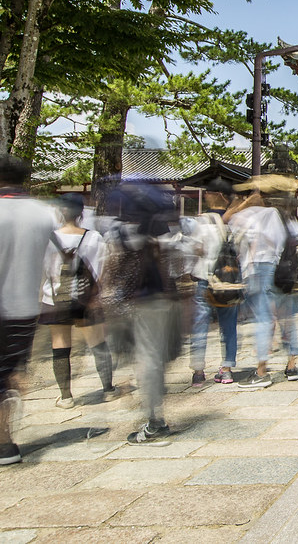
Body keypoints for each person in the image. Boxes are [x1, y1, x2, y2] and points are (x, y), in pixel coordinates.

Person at [102, 181, 186, 446]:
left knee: (147, 358)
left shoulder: (121, 232)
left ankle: (155, 420)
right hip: (163, 296)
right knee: (155, 357)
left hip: (137, 300)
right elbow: (179, 264)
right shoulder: (162, 231)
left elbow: (112, 267)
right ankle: (154, 410)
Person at [0, 155, 57, 464]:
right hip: (25, 306)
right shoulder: (44, 214)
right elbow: (54, 261)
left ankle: (4, 441)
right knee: (10, 370)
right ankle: (6, 434)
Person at [39, 193, 115, 406]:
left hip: (54, 298)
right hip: (87, 299)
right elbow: (102, 270)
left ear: (59, 212)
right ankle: (108, 388)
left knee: (60, 345)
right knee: (98, 342)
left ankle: (66, 396)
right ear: (82, 212)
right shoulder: (94, 238)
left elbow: (45, 270)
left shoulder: (49, 238)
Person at [228, 187, 298, 388]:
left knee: (263, 318)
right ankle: (292, 364)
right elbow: (286, 240)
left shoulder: (250, 214)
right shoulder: (279, 216)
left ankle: (261, 371)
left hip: (258, 269)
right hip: (282, 270)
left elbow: (229, 222)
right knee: (286, 316)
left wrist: (242, 204)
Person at [188, 179, 240, 386]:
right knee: (228, 325)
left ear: (218, 194)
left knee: (200, 325)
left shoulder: (200, 221)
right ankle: (226, 369)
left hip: (204, 277)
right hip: (228, 281)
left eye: (208, 192)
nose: (206, 194)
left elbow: (194, 248)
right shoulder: (234, 222)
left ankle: (199, 371)